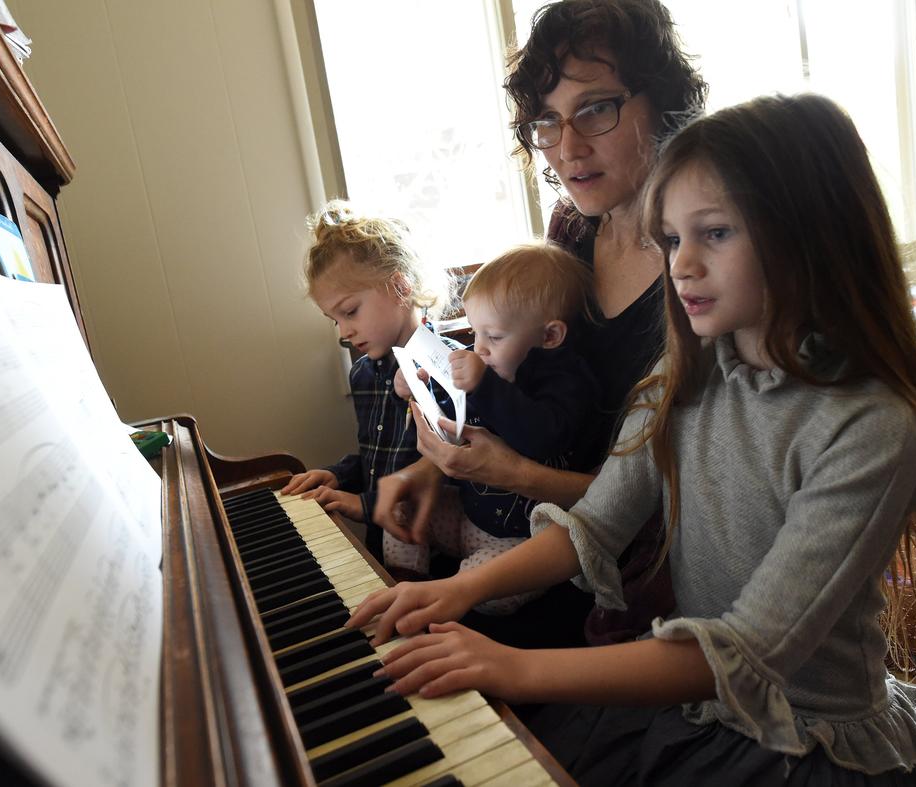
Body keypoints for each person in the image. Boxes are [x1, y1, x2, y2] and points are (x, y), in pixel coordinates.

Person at [348, 94, 916, 785]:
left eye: (715, 233)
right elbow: (593, 526)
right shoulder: (680, 377)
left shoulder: (873, 425)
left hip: (809, 746)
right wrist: (458, 591)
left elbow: (743, 651)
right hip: (701, 707)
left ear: (811, 233)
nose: (682, 265)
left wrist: (512, 667)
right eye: (673, 240)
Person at [378, 0, 708, 645]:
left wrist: (512, 474)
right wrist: (435, 469)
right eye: (547, 122)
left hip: (644, 586)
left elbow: (680, 502)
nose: (568, 148)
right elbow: (525, 378)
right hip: (543, 536)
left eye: (596, 108)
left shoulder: (704, 270)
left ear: (664, 103)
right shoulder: (571, 232)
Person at [383, 243, 599, 614]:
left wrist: (484, 384)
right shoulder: (495, 362)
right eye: (475, 334)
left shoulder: (567, 382)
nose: (479, 349)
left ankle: (434, 608)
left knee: (486, 591)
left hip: (522, 538)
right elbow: (458, 411)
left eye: (494, 337)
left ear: (550, 337)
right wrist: (420, 385)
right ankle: (406, 589)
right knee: (404, 511)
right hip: (468, 516)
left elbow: (542, 437)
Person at [281, 199, 453, 562]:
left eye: (350, 311)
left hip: (440, 560)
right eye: (335, 320)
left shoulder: (449, 367)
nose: (343, 331)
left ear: (400, 287)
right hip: (385, 554)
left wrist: (363, 504)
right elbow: (376, 458)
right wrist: (338, 476)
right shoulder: (363, 373)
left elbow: (454, 475)